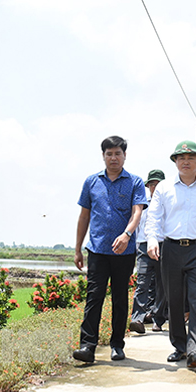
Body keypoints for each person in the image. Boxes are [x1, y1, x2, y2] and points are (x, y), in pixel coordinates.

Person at [145, 140, 196, 368]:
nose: (186, 162)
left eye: (191, 158)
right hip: (171, 249)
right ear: (175, 162)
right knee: (175, 301)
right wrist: (152, 240)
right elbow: (154, 217)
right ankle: (180, 346)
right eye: (181, 158)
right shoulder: (164, 187)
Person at [73, 136, 147, 363]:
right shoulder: (91, 182)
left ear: (125, 155)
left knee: (119, 298)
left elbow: (137, 212)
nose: (113, 158)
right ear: (103, 156)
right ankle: (87, 346)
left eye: (117, 153)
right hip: (97, 250)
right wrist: (77, 248)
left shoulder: (134, 182)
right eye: (109, 154)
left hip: (123, 252)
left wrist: (127, 235)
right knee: (93, 297)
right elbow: (84, 215)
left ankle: (117, 344)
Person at [130, 169, 167, 333]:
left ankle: (157, 319)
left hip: (163, 245)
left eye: (157, 183)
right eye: (151, 184)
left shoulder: (169, 204)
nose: (154, 186)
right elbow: (136, 224)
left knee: (161, 284)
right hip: (144, 246)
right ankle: (137, 318)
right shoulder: (142, 203)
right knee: (142, 282)